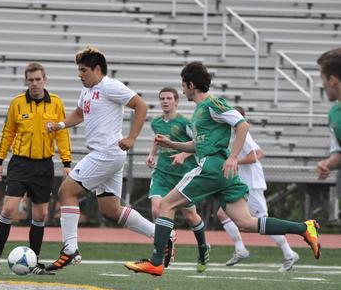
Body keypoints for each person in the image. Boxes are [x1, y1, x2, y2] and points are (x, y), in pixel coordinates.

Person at [124, 61, 321, 277]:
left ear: (191, 84)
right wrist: (172, 145)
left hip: (212, 167)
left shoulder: (212, 103)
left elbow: (242, 124)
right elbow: (196, 146)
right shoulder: (201, 110)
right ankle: (304, 228)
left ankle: (155, 261)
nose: (182, 89)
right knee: (245, 222)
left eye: (183, 85)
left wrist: (234, 157)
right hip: (220, 170)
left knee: (165, 204)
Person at [45, 47, 171, 271]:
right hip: (108, 155)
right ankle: (162, 235)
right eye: (79, 71)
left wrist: (132, 137)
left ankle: (70, 249)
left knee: (66, 191)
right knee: (111, 210)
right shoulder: (86, 91)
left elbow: (140, 105)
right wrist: (60, 125)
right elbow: (80, 113)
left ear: (97, 69)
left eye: (83, 70)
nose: (80, 75)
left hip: (105, 153)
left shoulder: (109, 86)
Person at [0, 62, 72, 275]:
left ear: (45, 80)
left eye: (38, 79)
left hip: (44, 165)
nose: (35, 84)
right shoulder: (17, 103)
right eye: (31, 80)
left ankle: (34, 262)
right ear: (26, 81)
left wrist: (67, 163)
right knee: (8, 209)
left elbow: (62, 134)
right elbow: (8, 133)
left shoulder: (56, 103)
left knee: (40, 215)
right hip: (20, 163)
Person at [216, 106, 299, 271]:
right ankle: (240, 249)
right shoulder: (240, 135)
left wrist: (233, 161)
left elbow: (253, 156)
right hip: (245, 184)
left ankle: (289, 253)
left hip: (252, 185)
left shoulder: (242, 135)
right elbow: (260, 152)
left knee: (263, 221)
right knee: (222, 213)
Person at [146, 87, 210, 272]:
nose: (165, 101)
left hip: (183, 175)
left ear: (176, 101)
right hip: (162, 174)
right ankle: (166, 246)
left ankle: (203, 247)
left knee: (190, 215)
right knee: (156, 209)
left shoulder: (184, 122)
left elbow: (199, 145)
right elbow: (157, 139)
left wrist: (183, 155)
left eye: (168, 98)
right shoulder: (156, 122)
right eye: (162, 98)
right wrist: (151, 155)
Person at [317, 48, 341, 180]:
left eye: (322, 78)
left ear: (332, 80)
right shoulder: (335, 114)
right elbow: (339, 154)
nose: (322, 84)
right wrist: (328, 164)